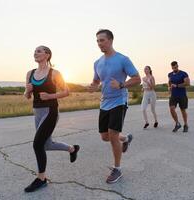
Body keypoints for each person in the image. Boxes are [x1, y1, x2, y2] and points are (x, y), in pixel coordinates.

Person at [24, 46, 80, 192]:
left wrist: (50, 96)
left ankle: (41, 179)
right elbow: (27, 96)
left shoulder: (54, 73)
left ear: (47, 55)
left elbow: (66, 91)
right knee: (46, 145)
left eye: (39, 51)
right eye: (34, 51)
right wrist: (27, 91)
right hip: (37, 111)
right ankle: (72, 149)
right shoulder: (30, 73)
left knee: (37, 144)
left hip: (51, 111)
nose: (35, 53)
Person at [88, 29, 141, 184]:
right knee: (105, 136)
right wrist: (93, 86)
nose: (99, 43)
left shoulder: (123, 59)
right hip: (105, 102)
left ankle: (117, 169)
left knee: (112, 135)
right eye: (97, 40)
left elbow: (137, 78)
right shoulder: (97, 63)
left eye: (102, 40)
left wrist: (121, 84)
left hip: (119, 101)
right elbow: (97, 81)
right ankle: (125, 139)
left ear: (110, 40)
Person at [168, 61, 190, 132]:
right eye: (174, 67)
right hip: (173, 95)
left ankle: (186, 125)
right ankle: (177, 123)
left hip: (182, 95)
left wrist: (177, 85)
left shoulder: (183, 74)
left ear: (178, 66)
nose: (175, 68)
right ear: (171, 67)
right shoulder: (170, 74)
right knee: (171, 108)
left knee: (183, 110)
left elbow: (187, 83)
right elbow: (169, 82)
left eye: (176, 67)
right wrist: (169, 87)